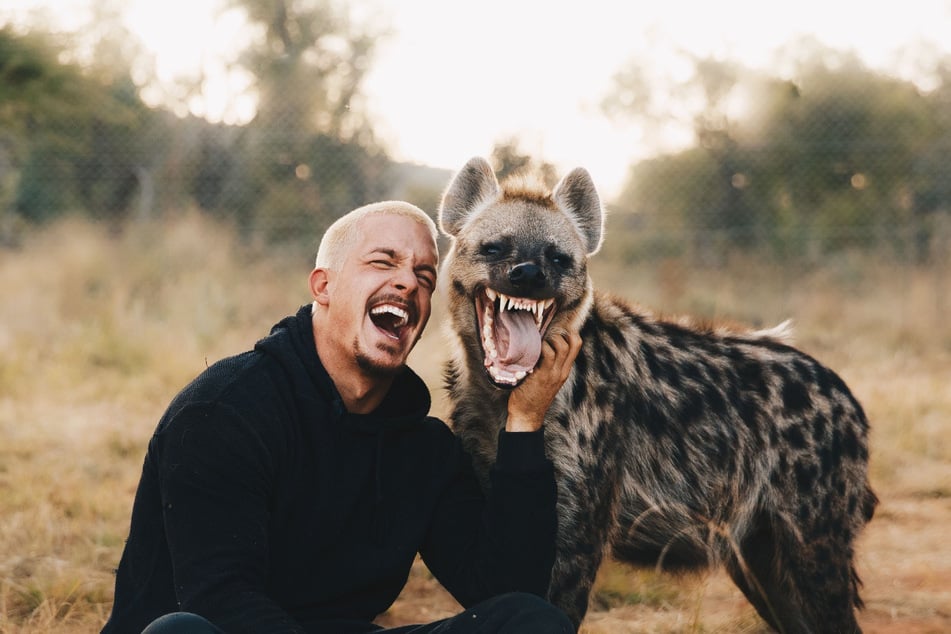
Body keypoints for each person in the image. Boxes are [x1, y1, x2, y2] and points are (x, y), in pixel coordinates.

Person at [101, 201, 582, 634]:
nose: (407, 282)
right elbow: (222, 601)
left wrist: (524, 420)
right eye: (383, 261)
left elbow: (507, 585)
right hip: (219, 630)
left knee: (529, 621)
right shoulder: (224, 413)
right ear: (323, 285)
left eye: (425, 276)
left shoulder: (423, 450)